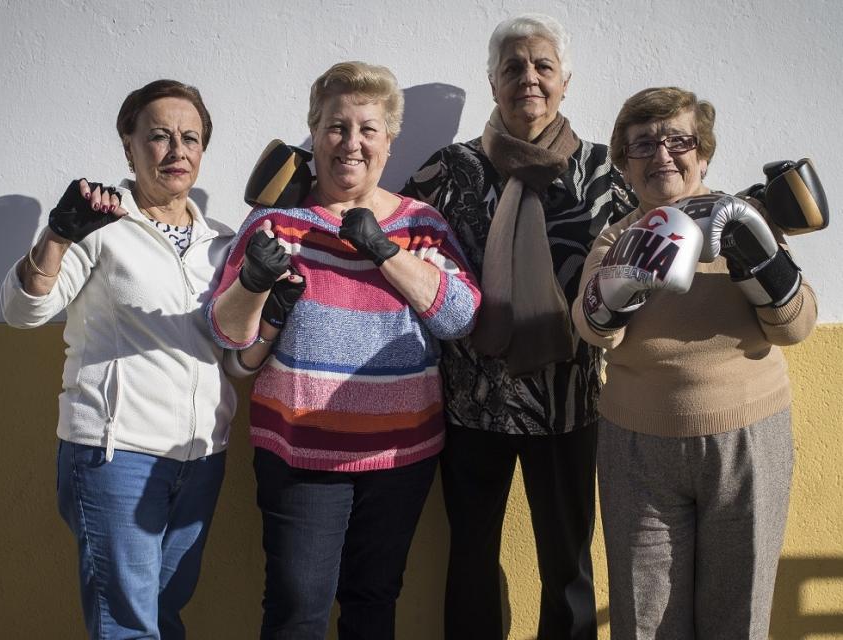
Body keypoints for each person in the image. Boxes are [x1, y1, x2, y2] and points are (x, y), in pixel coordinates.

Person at [207, 61, 480, 640]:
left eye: (368, 129)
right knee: (297, 608)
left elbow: (459, 318)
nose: (351, 143)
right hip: (302, 453)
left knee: (373, 600)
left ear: (388, 141)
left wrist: (384, 250)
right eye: (336, 127)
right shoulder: (277, 223)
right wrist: (253, 281)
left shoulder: (423, 224)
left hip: (401, 455)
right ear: (315, 133)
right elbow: (228, 336)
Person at [402, 13, 635, 640]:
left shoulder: (603, 173)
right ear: (492, 81)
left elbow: (658, 239)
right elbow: (390, 233)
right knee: (471, 559)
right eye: (512, 67)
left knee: (568, 564)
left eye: (542, 66)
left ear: (565, 83)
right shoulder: (449, 171)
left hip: (568, 403)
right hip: (472, 402)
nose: (527, 77)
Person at [571, 86, 818, 639]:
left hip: (747, 439)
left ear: (703, 154)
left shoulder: (747, 218)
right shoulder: (615, 236)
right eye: (643, 145)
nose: (662, 154)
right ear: (624, 166)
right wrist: (625, 278)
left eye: (678, 140)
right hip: (638, 449)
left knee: (740, 611)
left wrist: (760, 259)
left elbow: (797, 327)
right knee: (645, 617)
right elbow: (590, 331)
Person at [0, 80, 236, 638]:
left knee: (163, 612)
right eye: (158, 136)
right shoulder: (98, 225)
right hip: (116, 455)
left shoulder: (222, 242)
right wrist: (57, 237)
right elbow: (23, 312)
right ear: (128, 145)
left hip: (201, 455)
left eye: (190, 138)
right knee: (126, 624)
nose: (176, 150)